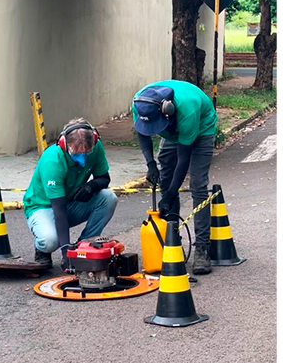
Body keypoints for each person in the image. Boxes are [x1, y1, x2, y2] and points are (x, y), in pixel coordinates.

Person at [132, 80, 218, 274]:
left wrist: (170, 195)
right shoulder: (140, 103)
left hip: (200, 127)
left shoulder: (187, 110)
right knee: (165, 178)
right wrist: (150, 164)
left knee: (198, 185)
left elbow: (183, 160)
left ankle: (202, 248)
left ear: (167, 111)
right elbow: (142, 134)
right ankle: (172, 241)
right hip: (172, 130)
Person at [23, 119, 118, 270]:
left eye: (87, 153)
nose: (82, 159)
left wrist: (91, 186)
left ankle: (84, 245)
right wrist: (66, 253)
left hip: (70, 202)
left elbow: (104, 178)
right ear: (63, 144)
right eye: (76, 153)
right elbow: (59, 211)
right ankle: (41, 250)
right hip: (43, 206)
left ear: (94, 141)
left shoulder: (96, 147)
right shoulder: (53, 160)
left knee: (108, 198)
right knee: (50, 241)